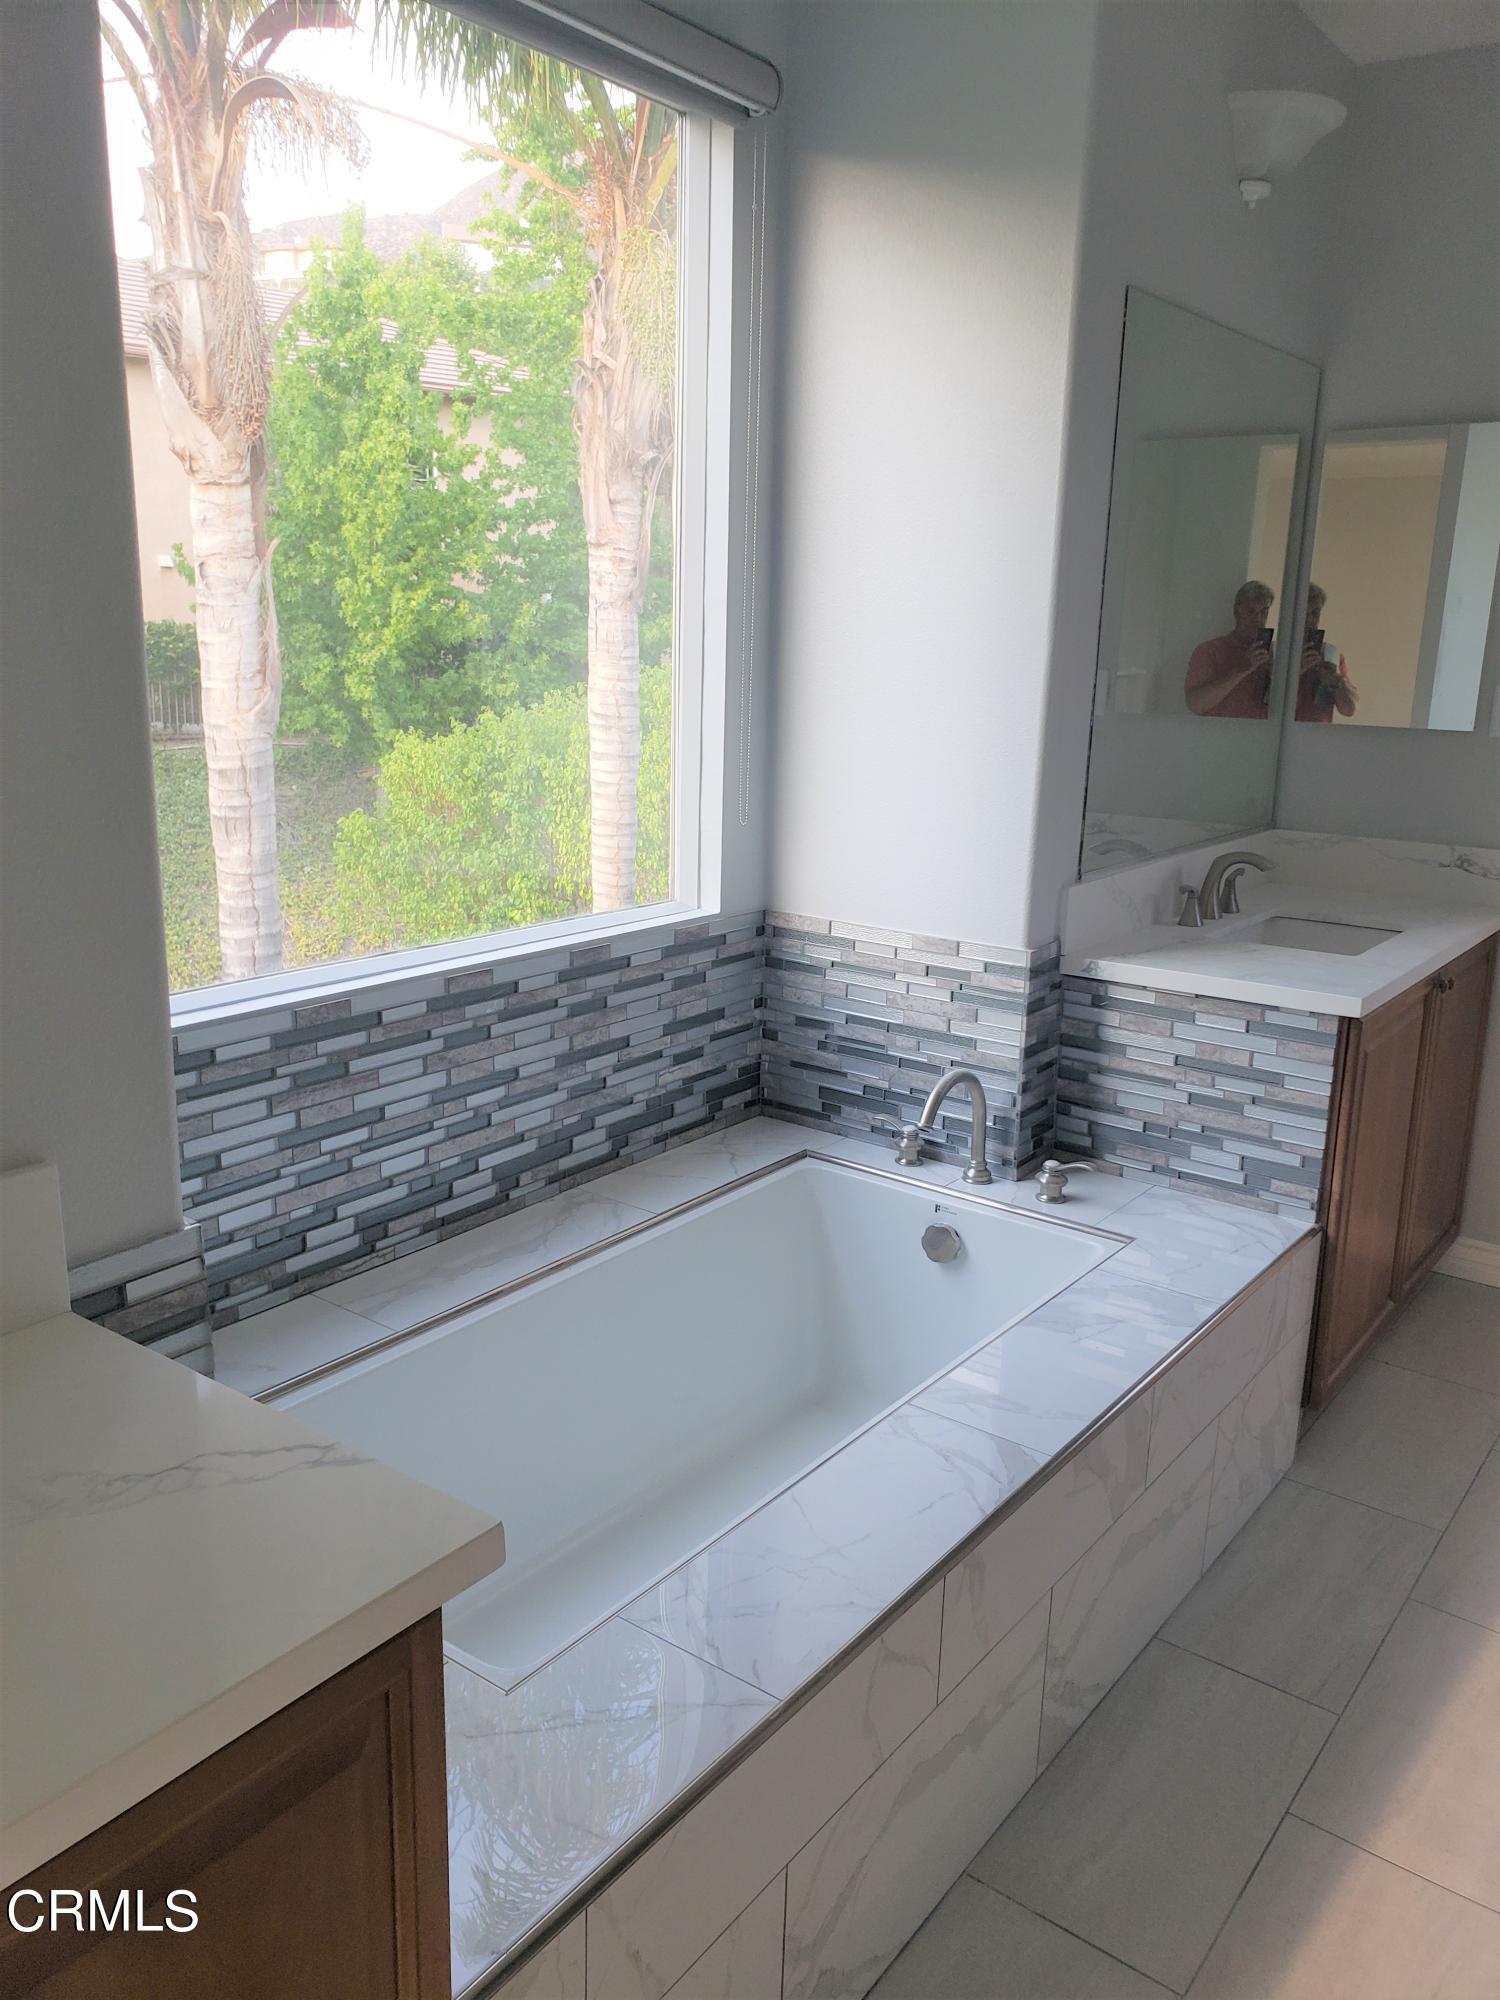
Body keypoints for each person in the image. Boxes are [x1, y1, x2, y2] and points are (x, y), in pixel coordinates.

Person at [1184, 581, 1276, 718]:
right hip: (1221, 736)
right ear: (1237, 611)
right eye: (1250, 611)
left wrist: (1276, 679)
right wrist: (1242, 670)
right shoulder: (1210, 650)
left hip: (1262, 736)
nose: (1258, 619)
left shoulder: (1275, 655)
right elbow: (1195, 705)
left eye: (1264, 612)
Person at [1295, 583, 1359, 721]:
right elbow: (1266, 705)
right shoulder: (1275, 652)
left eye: (1315, 613)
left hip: (1319, 737)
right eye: (1304, 613)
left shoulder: (1331, 655)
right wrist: (1296, 671)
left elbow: (1349, 710)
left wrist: (1336, 680)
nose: (1310, 619)